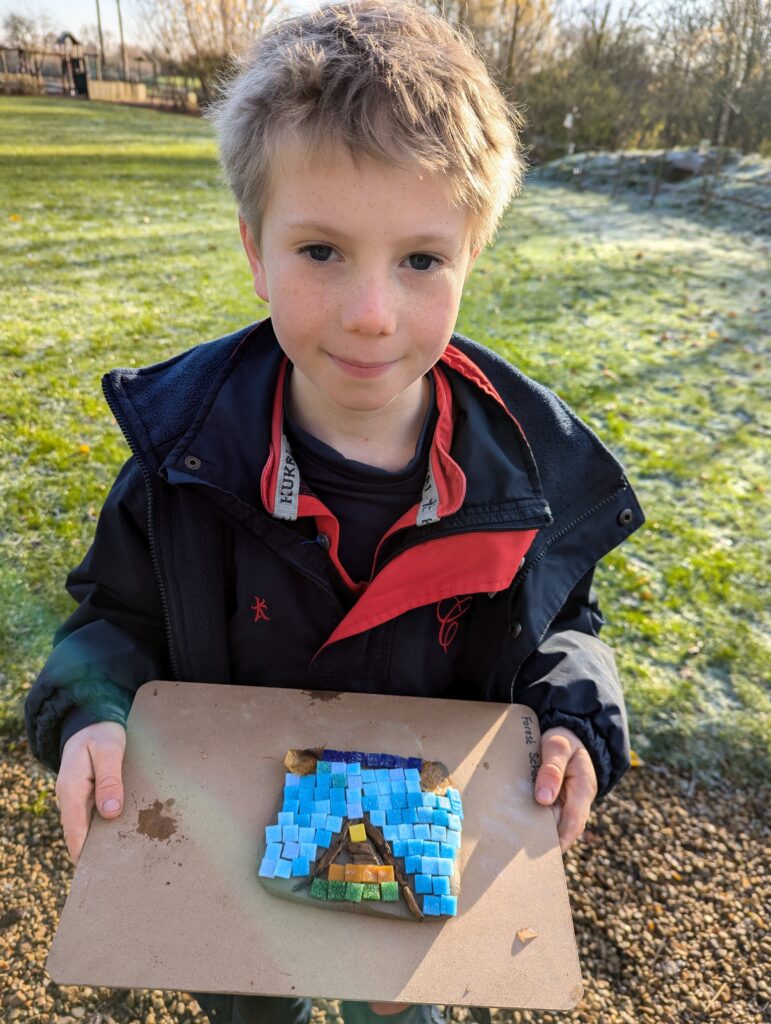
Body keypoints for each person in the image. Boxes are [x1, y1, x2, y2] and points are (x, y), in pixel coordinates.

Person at [25, 3, 643, 1023]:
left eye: (420, 260)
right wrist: (90, 710)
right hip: (228, 872)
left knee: (400, 1015)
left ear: (471, 258)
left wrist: (575, 717)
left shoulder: (516, 481)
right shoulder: (184, 464)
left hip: (414, 882)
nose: (370, 311)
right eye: (320, 251)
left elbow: (564, 627)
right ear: (254, 249)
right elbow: (113, 622)